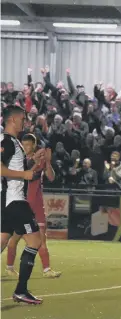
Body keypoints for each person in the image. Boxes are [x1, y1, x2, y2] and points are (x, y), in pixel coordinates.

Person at [0, 105, 44, 304]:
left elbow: (14, 168)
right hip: (14, 201)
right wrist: (24, 174)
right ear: (13, 120)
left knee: (1, 242)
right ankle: (21, 290)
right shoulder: (7, 141)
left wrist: (32, 163)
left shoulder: (14, 142)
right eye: (22, 119)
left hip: (10, 201)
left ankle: (21, 290)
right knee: (34, 241)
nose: (24, 123)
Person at [5, 134, 62, 278]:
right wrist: (36, 161)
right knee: (12, 239)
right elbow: (26, 170)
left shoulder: (40, 161)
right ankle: (9, 267)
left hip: (36, 205)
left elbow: (51, 177)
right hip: (21, 204)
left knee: (41, 238)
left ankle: (47, 269)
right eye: (23, 145)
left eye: (28, 145)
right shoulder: (17, 161)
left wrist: (48, 162)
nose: (25, 148)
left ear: (34, 145)